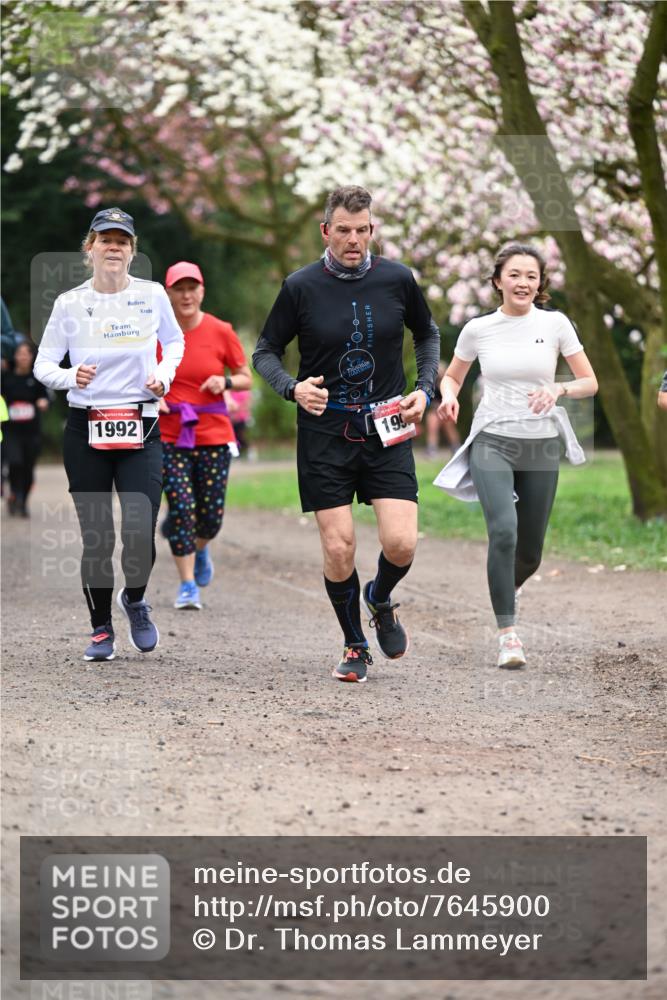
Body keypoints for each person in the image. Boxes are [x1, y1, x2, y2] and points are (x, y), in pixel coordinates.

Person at [253, 185, 440, 683]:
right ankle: (355, 643)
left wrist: (425, 389)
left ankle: (378, 597)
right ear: (326, 231)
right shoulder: (300, 286)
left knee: (401, 543)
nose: (354, 240)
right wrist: (293, 390)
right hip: (325, 429)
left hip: (388, 425)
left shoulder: (398, 280)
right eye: (344, 231)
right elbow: (265, 351)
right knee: (339, 548)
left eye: (362, 230)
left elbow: (427, 333)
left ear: (372, 229)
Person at [434, 242, 598, 668]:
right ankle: (508, 635)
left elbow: (589, 382)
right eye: (515, 274)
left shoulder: (556, 324)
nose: (523, 282)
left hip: (541, 443)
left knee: (529, 553)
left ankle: (507, 586)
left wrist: (557, 388)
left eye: (531, 275)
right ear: (497, 281)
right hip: (493, 439)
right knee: (503, 532)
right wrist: (449, 397)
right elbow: (452, 377)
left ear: (539, 283)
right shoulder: (478, 329)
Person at [33, 207, 184, 661]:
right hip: (87, 428)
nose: (114, 246)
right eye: (105, 239)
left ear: (132, 251)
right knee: (97, 537)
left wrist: (164, 374)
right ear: (91, 249)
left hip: (141, 424)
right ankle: (101, 629)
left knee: (140, 532)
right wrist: (70, 376)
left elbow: (175, 342)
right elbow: (44, 365)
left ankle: (134, 599)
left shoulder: (153, 295)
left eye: (122, 240)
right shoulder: (69, 304)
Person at [159, 261, 251, 609]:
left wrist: (224, 381)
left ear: (202, 291)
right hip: (170, 435)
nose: (185, 295)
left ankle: (200, 549)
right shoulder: (155, 332)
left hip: (213, 432)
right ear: (168, 293)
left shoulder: (221, 330)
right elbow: (139, 374)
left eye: (191, 287)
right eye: (178, 289)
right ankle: (186, 586)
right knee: (182, 509)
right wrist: (155, 397)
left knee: (210, 516)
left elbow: (245, 377)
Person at [2, 340, 49, 516]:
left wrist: (43, 402)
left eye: (26, 353)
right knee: (15, 462)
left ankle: (23, 501)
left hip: (31, 432)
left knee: (28, 468)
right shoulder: (5, 377)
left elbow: (45, 396)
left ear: (31, 357)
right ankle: (15, 494)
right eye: (19, 353)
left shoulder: (37, 378)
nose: (22, 357)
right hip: (11, 430)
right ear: (14, 356)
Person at [425, 361, 460, 458]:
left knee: (449, 427)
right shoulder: (432, 384)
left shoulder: (448, 384)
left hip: (446, 408)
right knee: (432, 424)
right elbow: (430, 399)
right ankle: (431, 448)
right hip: (434, 410)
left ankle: (456, 447)